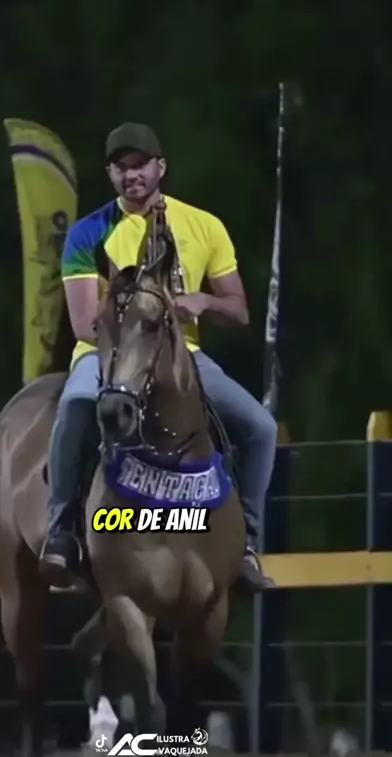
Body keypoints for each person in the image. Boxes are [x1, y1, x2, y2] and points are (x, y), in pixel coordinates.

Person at [39, 122, 277, 591]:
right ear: (110, 174)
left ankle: (246, 542)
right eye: (121, 167)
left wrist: (203, 301)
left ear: (160, 167)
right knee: (77, 407)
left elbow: (240, 309)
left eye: (140, 165)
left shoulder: (204, 226)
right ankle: (61, 530)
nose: (132, 175)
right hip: (108, 353)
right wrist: (131, 320)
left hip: (182, 354)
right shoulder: (89, 234)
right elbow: (84, 322)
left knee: (261, 429)